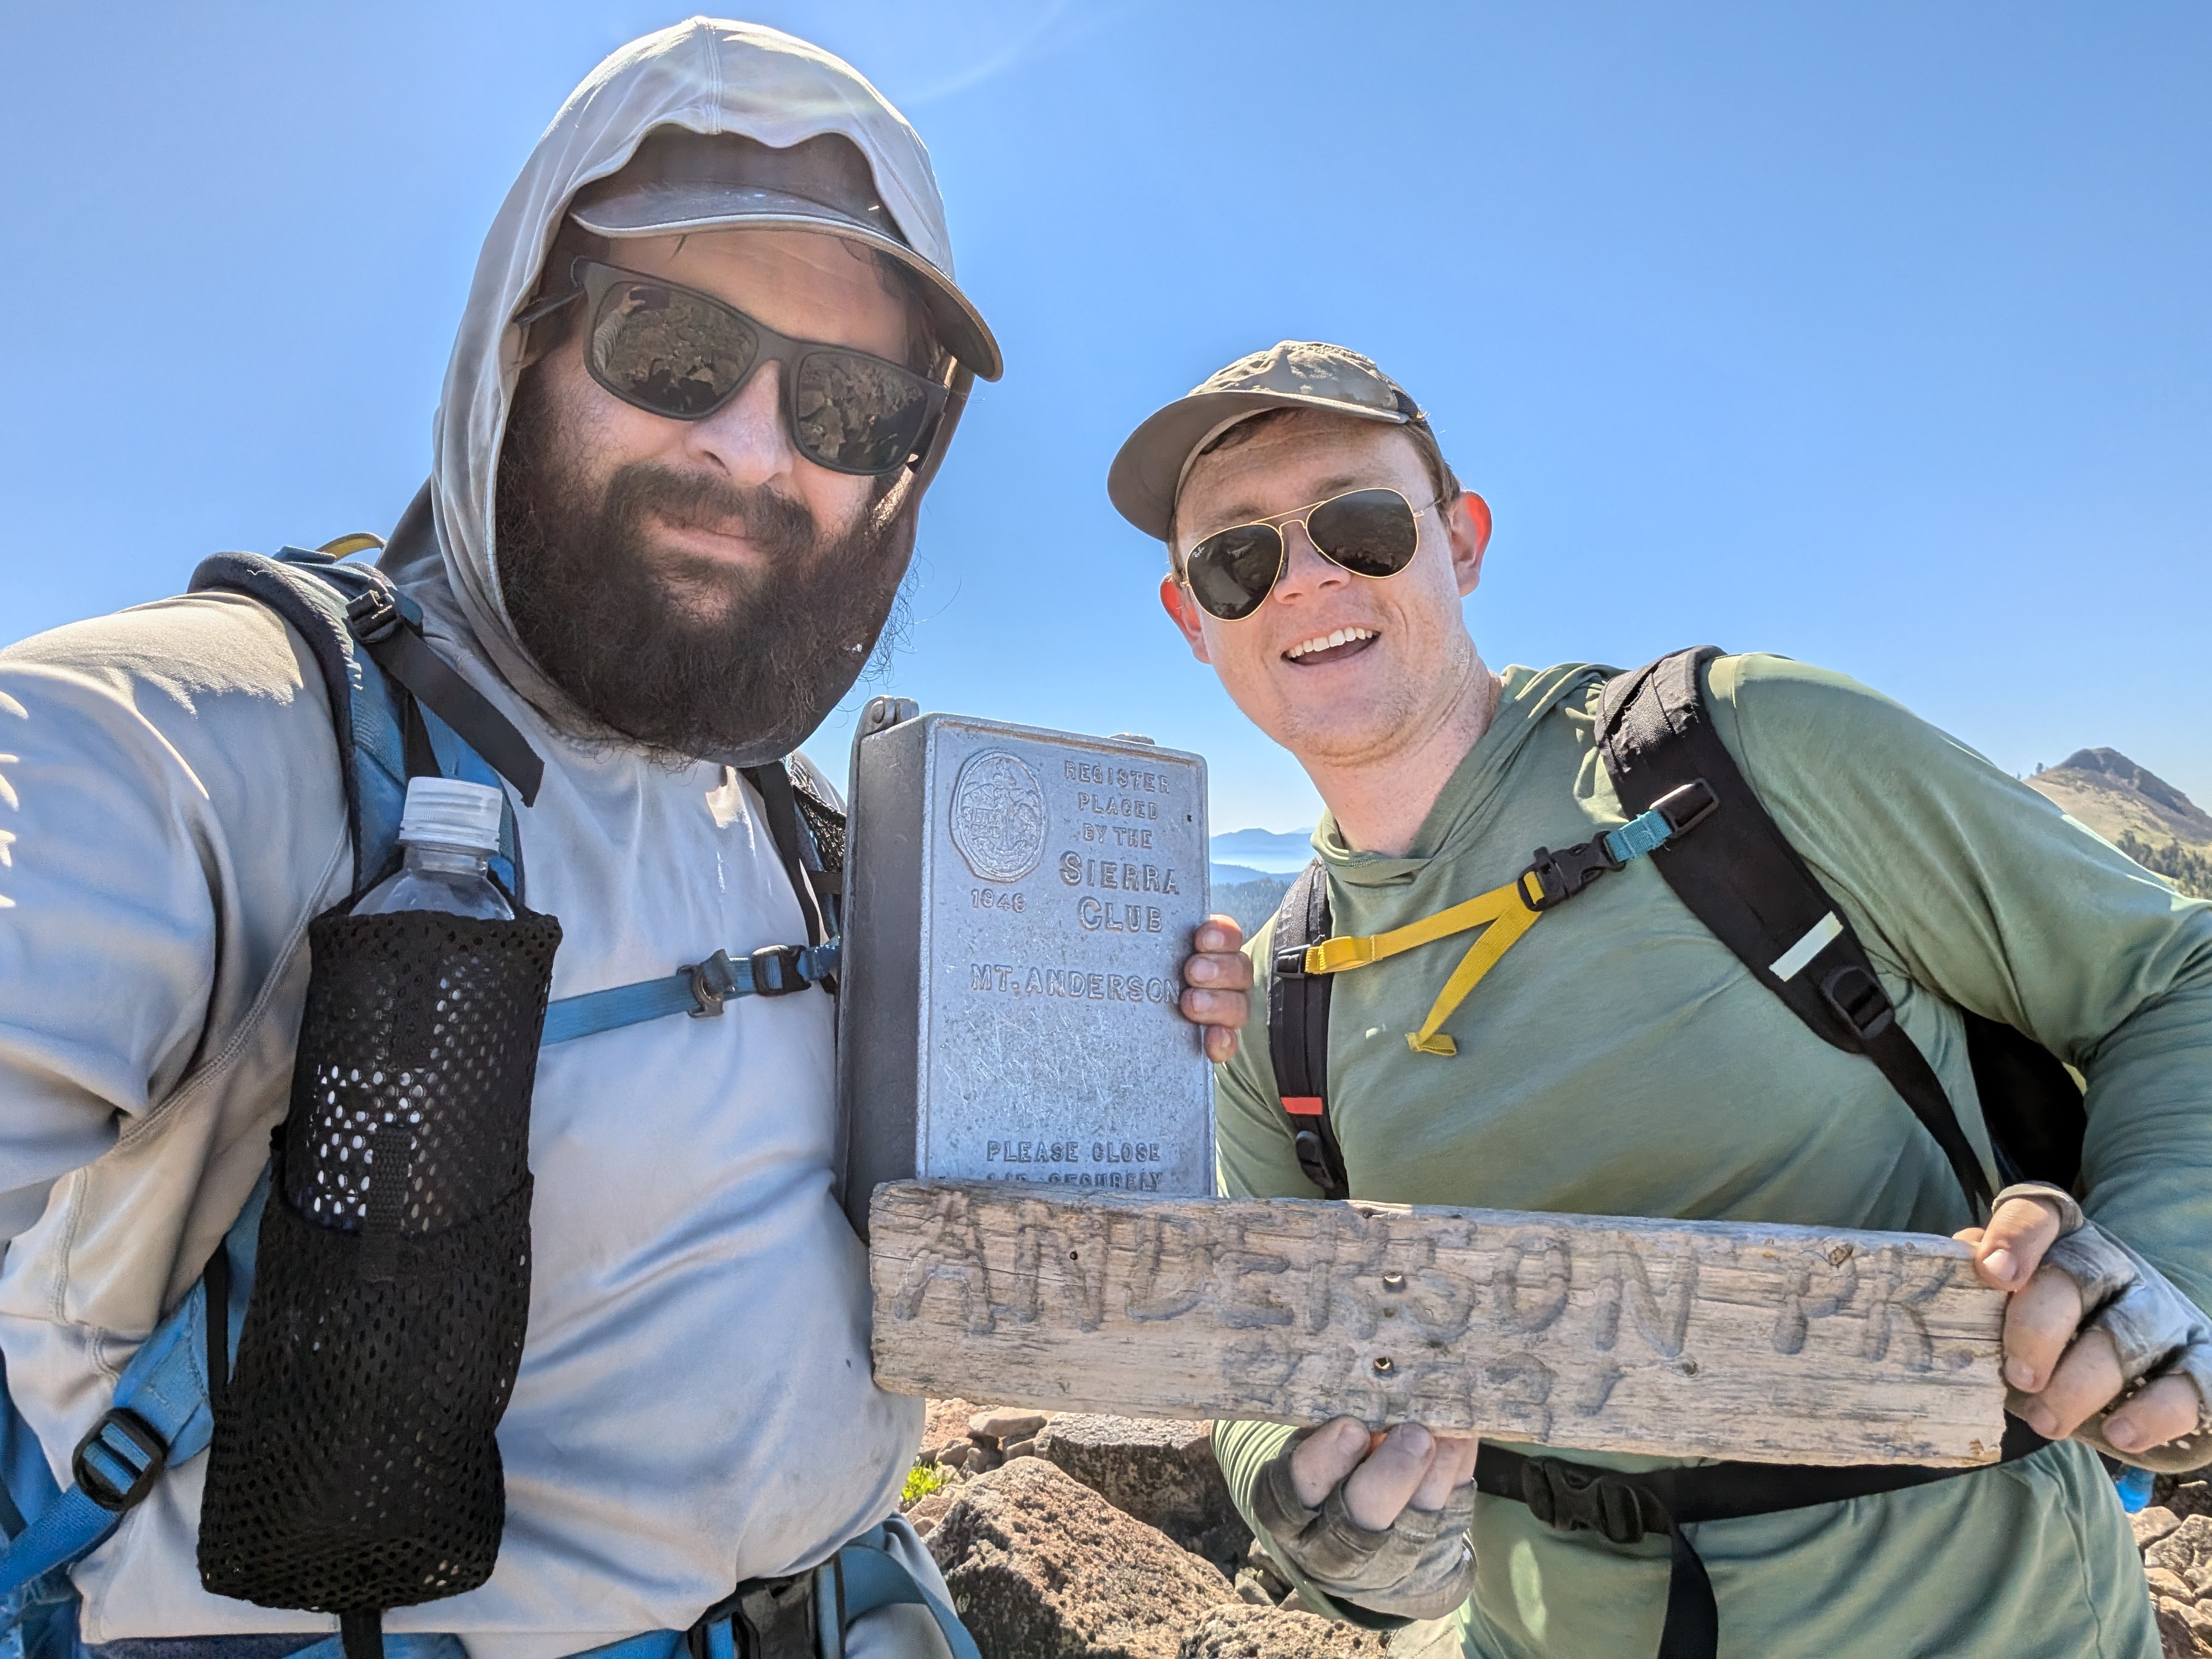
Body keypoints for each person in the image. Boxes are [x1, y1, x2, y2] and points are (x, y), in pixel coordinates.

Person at [0, 22, 1253, 1659]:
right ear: (517, 337)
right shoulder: (200, 749)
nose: (751, 444)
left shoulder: (816, 839)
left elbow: (1022, 1291)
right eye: (669, 344)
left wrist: (1122, 1066)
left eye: (853, 404)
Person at [1109, 340, 2212, 1658]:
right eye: (1242, 561)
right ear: (1195, 622)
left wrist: (2166, 1259)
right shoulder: (1275, 1001)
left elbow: (2172, 975)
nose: (1310, 580)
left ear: (1461, 541)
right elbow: (1263, 1345)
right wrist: (1310, 1508)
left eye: (1362, 522)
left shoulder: (1746, 755)